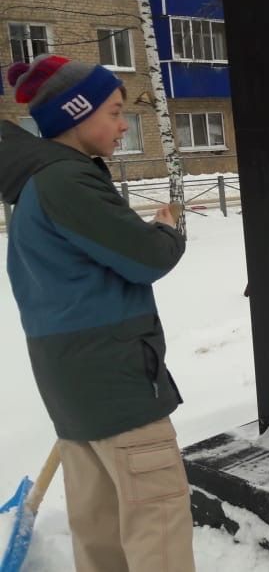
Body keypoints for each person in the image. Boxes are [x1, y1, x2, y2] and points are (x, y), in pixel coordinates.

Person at [0, 55, 194, 571]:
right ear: (74, 114)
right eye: (113, 111)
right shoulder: (66, 180)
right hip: (119, 388)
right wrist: (168, 230)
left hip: (75, 392)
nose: (123, 124)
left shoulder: (36, 186)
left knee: (100, 530)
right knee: (159, 525)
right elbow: (145, 257)